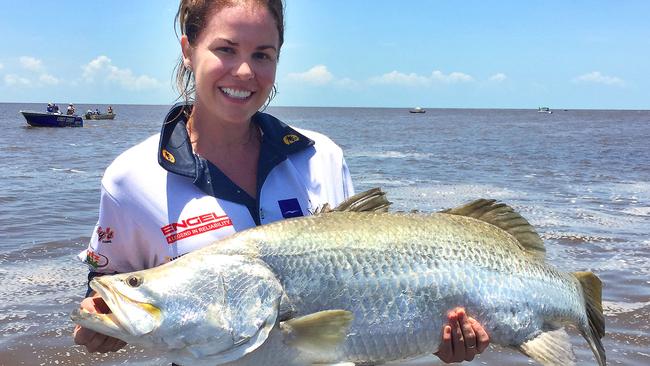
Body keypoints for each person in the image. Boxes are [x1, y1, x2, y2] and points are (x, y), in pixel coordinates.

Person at [72, 0, 489, 363]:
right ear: (188, 49)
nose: (244, 71)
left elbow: (363, 302)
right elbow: (107, 282)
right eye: (225, 49)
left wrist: (427, 335)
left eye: (263, 55)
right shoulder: (130, 179)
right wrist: (102, 323)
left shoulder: (320, 156)